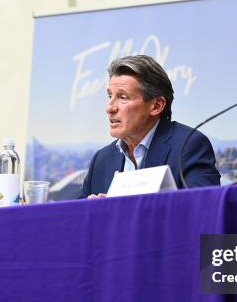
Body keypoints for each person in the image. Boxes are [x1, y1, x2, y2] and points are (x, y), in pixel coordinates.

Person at [80, 55, 220, 198]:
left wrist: (121, 209)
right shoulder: (101, 159)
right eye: (110, 96)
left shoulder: (189, 146)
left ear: (157, 105)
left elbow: (205, 209)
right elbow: (74, 217)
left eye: (123, 97)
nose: (109, 108)